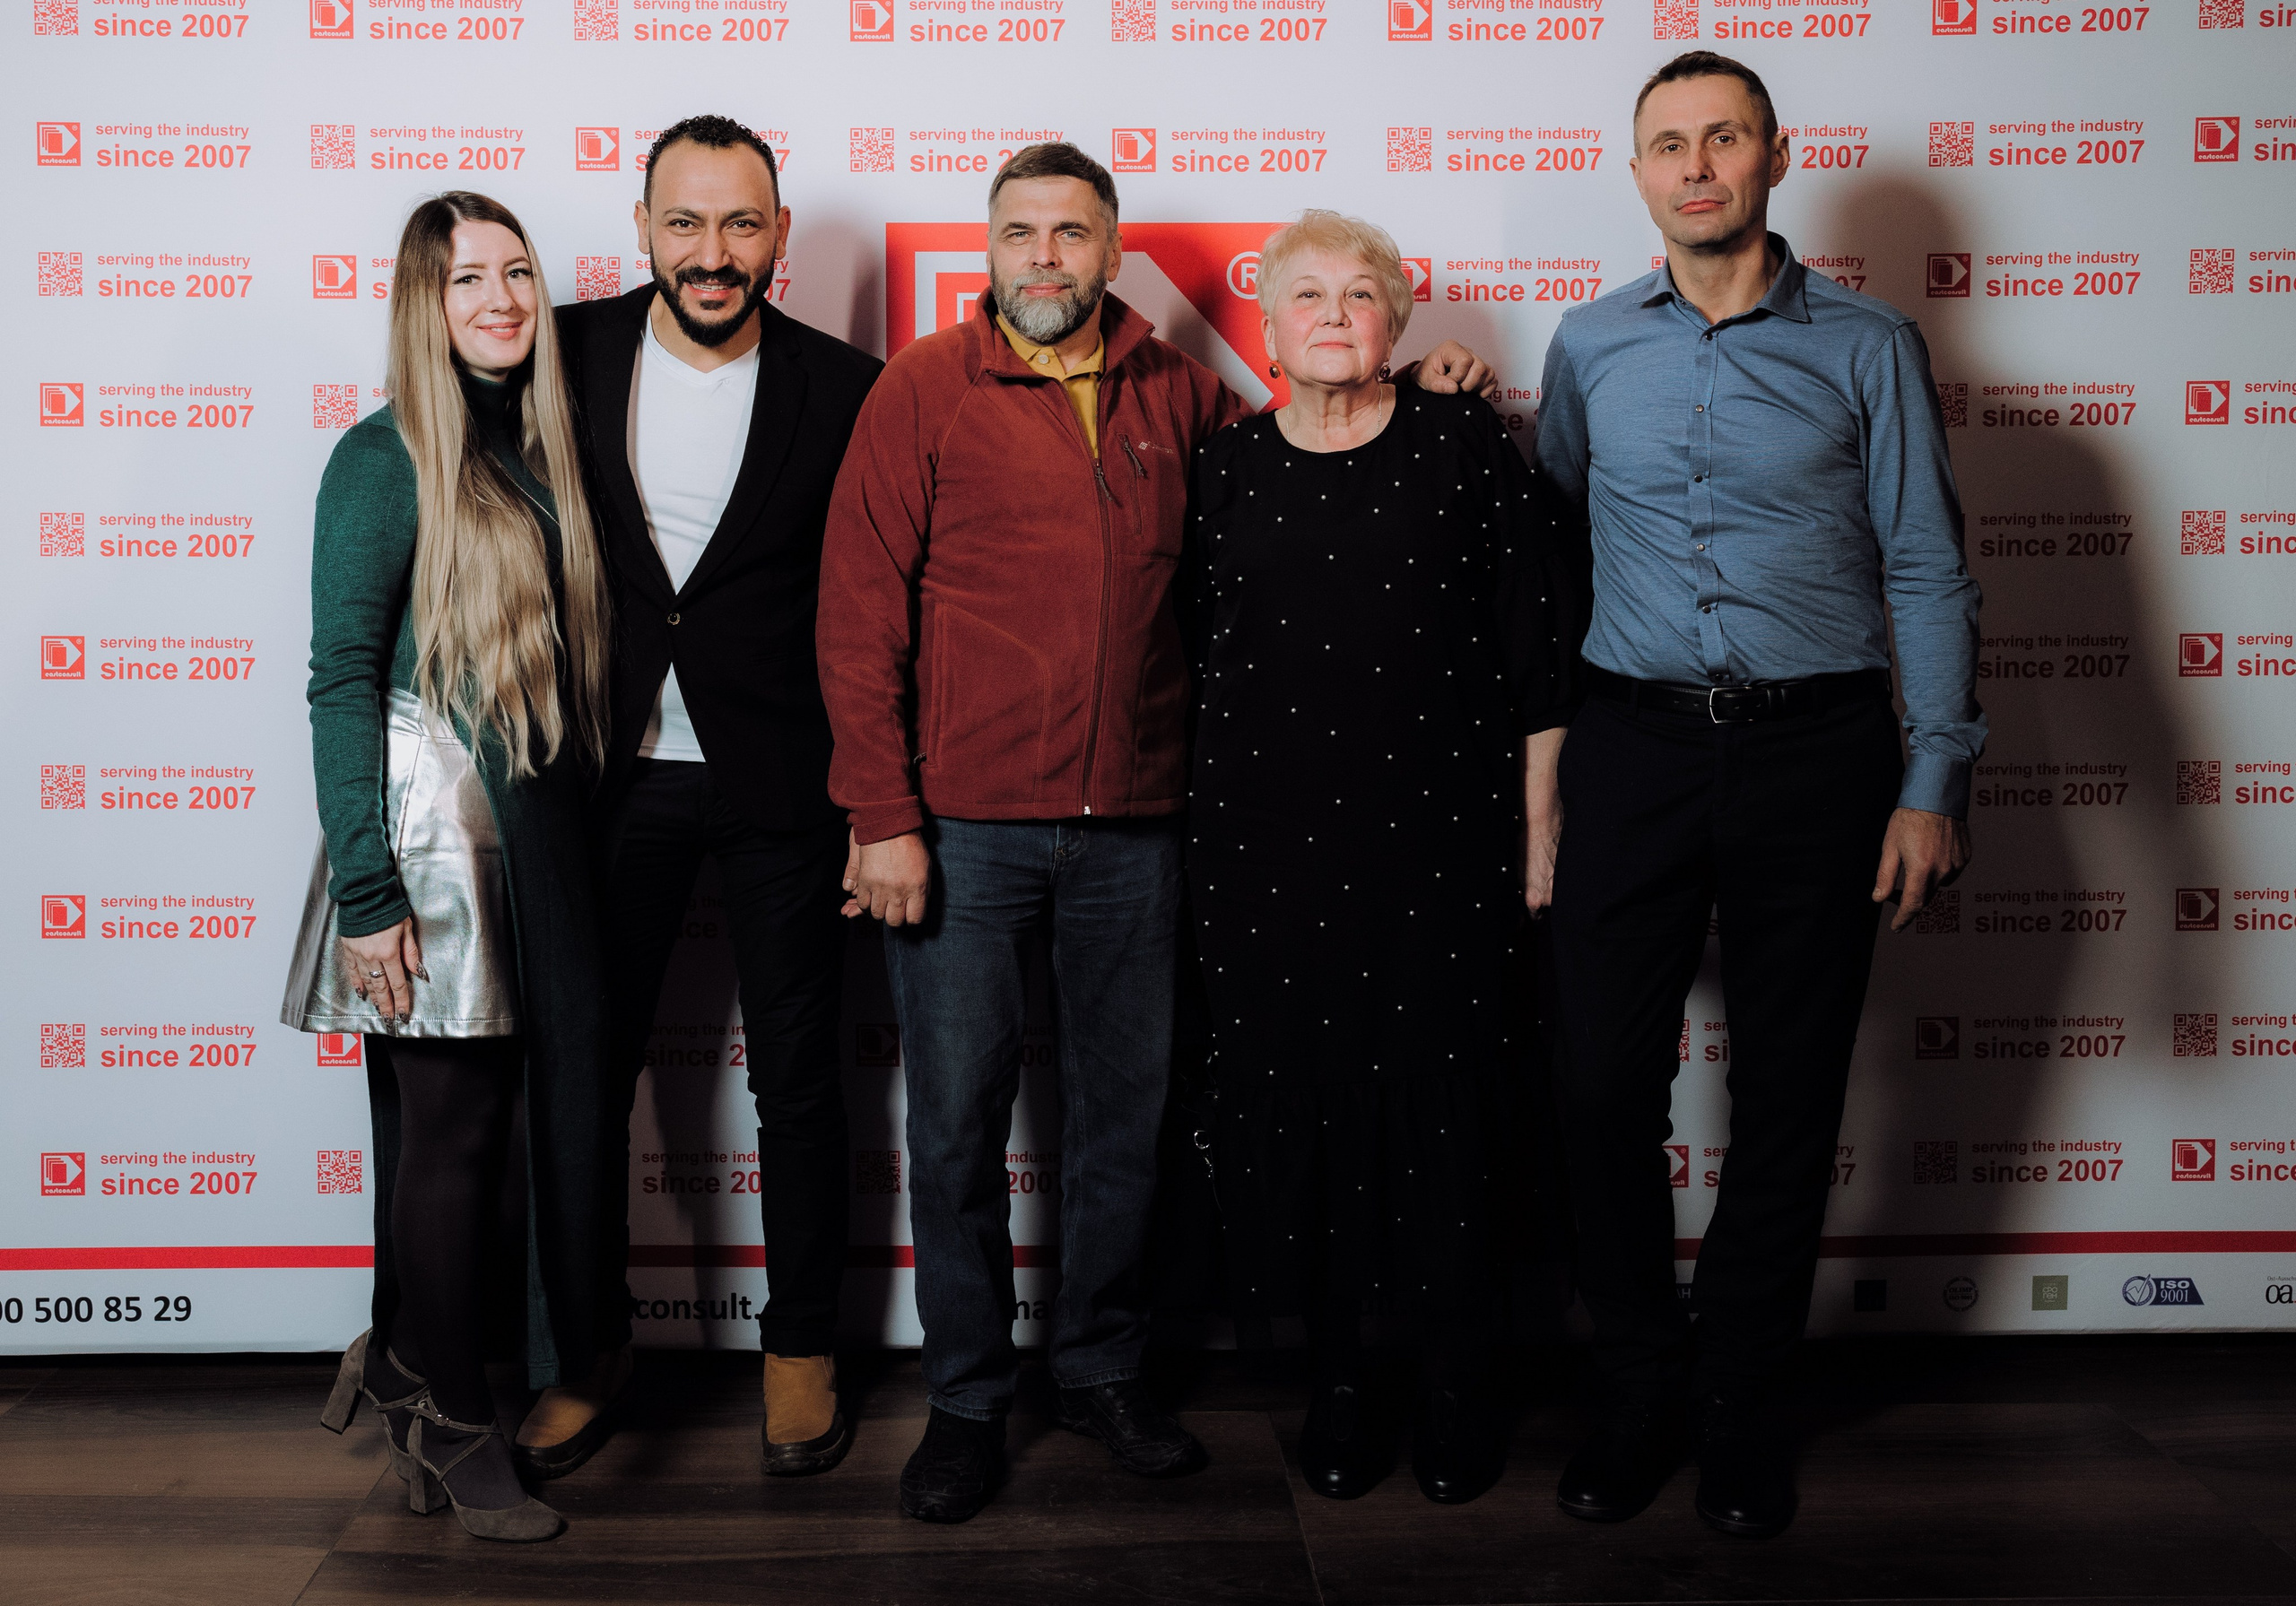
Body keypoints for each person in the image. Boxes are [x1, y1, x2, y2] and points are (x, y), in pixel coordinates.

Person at [816, 142, 1498, 1524]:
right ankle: (966, 1400)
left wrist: (1422, 388)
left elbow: (1318, 447)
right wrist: (882, 816)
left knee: (1125, 1125)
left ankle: (1103, 1370)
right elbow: (857, 612)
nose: (1045, 257)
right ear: (990, 250)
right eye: (1021, 232)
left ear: (1112, 250)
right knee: (954, 1131)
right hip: (963, 830)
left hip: (1138, 831)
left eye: (1072, 233)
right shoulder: (923, 389)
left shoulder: (1182, 395)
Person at [1533, 51, 1983, 1539]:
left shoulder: (1870, 344)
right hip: (1634, 748)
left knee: (1790, 1095)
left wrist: (1933, 777)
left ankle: (1737, 1404)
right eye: (1668, 143)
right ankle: (1636, 1388)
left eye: (1723, 137)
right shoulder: (1589, 345)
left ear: (1774, 157)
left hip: (1820, 754)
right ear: (1639, 172)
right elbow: (1556, 549)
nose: (1697, 165)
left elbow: (1926, 566)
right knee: (1600, 1084)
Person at [1183, 211, 1586, 1506]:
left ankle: (1458, 1384)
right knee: (1305, 1125)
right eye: (1306, 295)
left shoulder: (1463, 447)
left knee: (1447, 1120)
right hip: (1266, 862)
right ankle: (1341, 1383)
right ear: (1266, 326)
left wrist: (1538, 829)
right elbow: (1190, 670)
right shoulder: (1222, 471)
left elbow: (1539, 649)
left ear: (1398, 325)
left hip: (1442, 857)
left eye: (1361, 295)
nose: (1334, 314)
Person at [520, 116, 883, 1480]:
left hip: (785, 782)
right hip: (605, 780)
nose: (713, 252)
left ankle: (803, 1352)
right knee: (584, 1080)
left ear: (779, 235)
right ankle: (588, 1350)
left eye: (741, 224)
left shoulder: (847, 387)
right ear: (644, 230)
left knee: (799, 1085)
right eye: (685, 222)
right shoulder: (561, 351)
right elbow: (428, 421)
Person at [285, 191, 617, 1543]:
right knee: (452, 1135)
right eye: (466, 278)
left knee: (489, 1139)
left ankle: (413, 1371)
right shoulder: (382, 458)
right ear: (421, 305)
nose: (500, 300)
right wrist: (368, 895)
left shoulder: (534, 450)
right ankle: (453, 1418)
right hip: (427, 844)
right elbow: (339, 682)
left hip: (520, 839)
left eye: (517, 273)